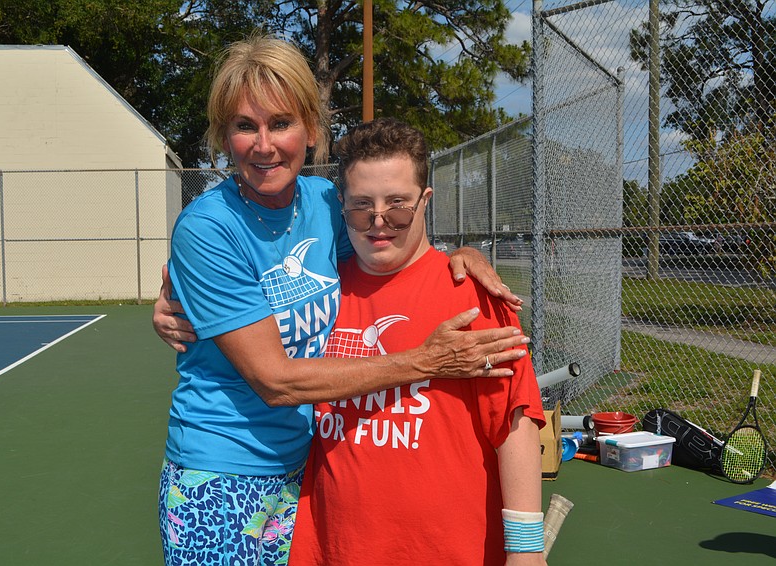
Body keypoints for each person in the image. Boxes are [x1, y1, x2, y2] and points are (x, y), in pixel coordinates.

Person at [156, 34, 529, 566]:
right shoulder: (209, 229)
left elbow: (391, 230)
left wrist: (462, 253)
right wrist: (424, 362)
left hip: (306, 470)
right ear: (224, 137)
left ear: (310, 128)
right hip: (224, 475)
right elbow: (276, 381)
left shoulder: (328, 203)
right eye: (245, 126)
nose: (264, 145)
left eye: (280, 122)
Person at [289, 118, 546, 565]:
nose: (379, 222)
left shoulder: (470, 294)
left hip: (449, 550)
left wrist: (526, 549)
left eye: (398, 205)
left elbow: (514, 422)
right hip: (334, 548)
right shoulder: (319, 294)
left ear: (425, 200)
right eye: (361, 207)